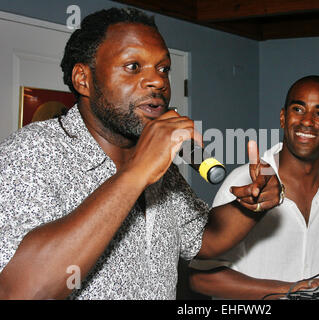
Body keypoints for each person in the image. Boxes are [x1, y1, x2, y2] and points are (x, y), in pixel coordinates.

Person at [0, 8, 282, 300]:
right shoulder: (31, 153)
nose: (158, 81)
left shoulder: (160, 163)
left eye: (163, 68)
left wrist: (250, 206)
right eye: (133, 66)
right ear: (83, 79)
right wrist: (135, 174)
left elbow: (204, 239)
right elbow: (22, 292)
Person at [188, 75, 319, 300]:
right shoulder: (244, 181)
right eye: (298, 109)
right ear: (283, 118)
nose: (307, 121)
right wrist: (291, 290)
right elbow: (201, 278)